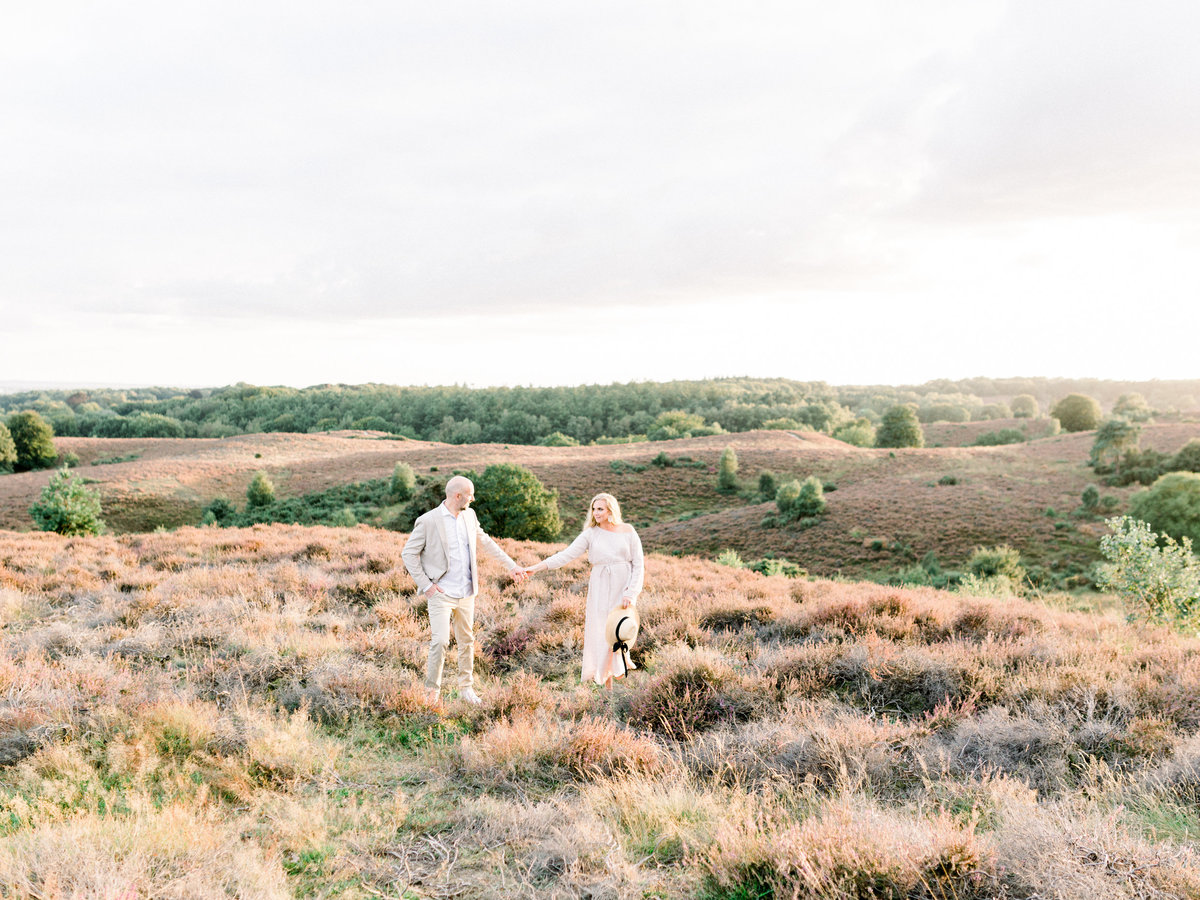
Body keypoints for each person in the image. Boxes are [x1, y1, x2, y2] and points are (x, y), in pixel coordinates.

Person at [401, 475, 524, 706]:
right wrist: (427, 586)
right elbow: (408, 554)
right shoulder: (428, 521)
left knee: (467, 641)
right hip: (441, 594)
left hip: (467, 592)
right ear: (458, 496)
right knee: (440, 642)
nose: (473, 498)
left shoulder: (470, 515)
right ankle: (432, 695)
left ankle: (466, 689)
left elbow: (486, 542)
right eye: (470, 494)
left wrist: (512, 565)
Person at [518, 492, 644, 690]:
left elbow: (638, 564)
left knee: (621, 631)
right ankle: (607, 685)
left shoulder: (627, 530)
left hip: (624, 586)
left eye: (600, 509)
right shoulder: (591, 534)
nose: (596, 513)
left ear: (611, 509)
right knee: (604, 632)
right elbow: (565, 555)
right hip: (601, 586)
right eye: (594, 509)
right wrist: (536, 567)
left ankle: (620, 675)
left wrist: (631, 592)